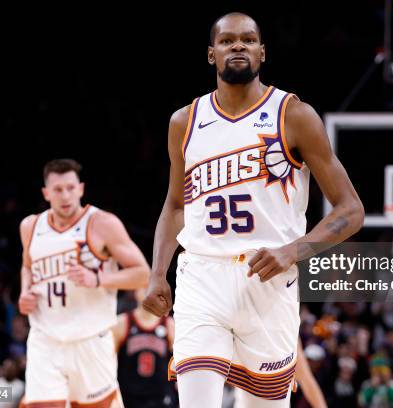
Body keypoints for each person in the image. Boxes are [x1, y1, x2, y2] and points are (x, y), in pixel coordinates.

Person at [142, 12, 364, 407]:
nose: (238, 46)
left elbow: (350, 210)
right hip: (202, 276)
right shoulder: (185, 122)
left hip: (268, 279)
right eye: (227, 41)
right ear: (212, 54)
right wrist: (158, 272)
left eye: (247, 40)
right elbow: (176, 205)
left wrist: (291, 252)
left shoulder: (294, 115)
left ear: (262, 52)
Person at [17, 159, 150, 407]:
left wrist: (99, 279)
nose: (65, 195)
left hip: (90, 338)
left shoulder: (102, 223)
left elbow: (143, 274)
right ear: (46, 193)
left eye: (70, 187)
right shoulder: (30, 226)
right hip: (45, 338)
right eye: (58, 189)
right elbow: (27, 266)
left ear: (81, 188)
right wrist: (25, 292)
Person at [112, 288, 175, 407]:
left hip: (162, 399)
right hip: (128, 398)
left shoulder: (170, 325)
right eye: (144, 286)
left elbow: (177, 366)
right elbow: (109, 361)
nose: (148, 290)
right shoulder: (122, 322)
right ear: (135, 291)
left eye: (151, 286)